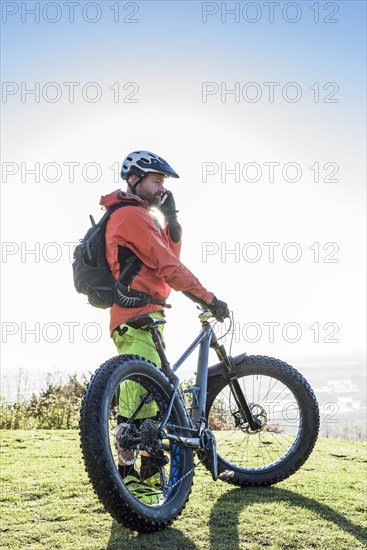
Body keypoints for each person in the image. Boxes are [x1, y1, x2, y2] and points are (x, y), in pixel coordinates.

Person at [99, 150, 229, 501]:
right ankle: (132, 486)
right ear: (134, 180)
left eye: (163, 183)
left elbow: (165, 260)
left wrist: (172, 223)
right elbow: (169, 267)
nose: (161, 188)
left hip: (148, 318)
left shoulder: (144, 218)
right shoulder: (130, 216)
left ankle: (145, 483)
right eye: (155, 181)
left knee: (148, 404)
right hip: (134, 319)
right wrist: (209, 298)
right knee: (138, 409)